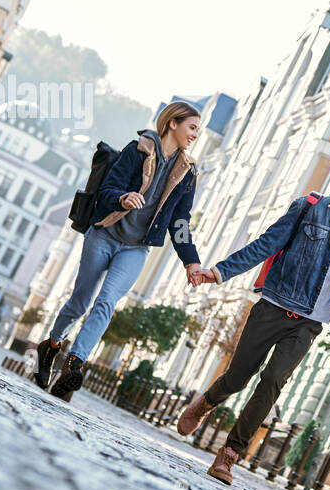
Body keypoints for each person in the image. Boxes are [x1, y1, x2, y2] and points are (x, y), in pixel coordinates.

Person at [179, 150, 330, 484]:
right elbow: (266, 244)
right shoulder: (310, 207)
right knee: (238, 377)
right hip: (273, 306)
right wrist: (218, 272)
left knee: (273, 382)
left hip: (309, 322)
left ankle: (228, 457)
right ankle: (206, 402)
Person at [34, 102, 206, 400]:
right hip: (105, 233)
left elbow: (180, 221)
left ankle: (74, 364)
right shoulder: (138, 149)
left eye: (198, 130)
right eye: (192, 127)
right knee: (80, 300)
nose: (195, 135)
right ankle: (50, 346)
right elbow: (107, 189)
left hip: (136, 248)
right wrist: (123, 198)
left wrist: (191, 261)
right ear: (173, 123)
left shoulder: (187, 173)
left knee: (106, 302)